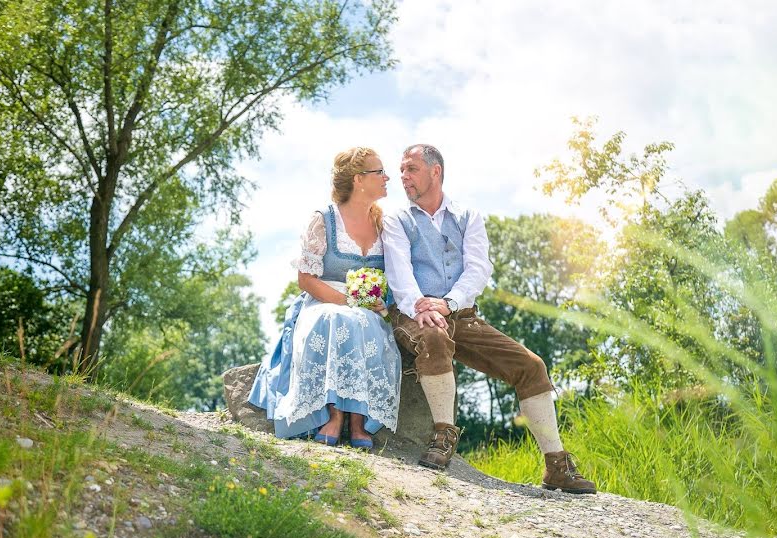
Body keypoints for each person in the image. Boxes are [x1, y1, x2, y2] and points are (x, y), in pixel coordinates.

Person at [381, 144, 596, 493]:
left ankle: (556, 465)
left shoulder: (468, 216)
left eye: (411, 169)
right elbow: (399, 271)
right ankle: (443, 436)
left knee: (531, 366)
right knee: (434, 338)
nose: (402, 176)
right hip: (414, 312)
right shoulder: (397, 220)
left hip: (461, 313)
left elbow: (479, 269)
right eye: (401, 170)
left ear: (435, 172)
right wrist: (423, 305)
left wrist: (448, 303)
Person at [247, 147, 401, 449]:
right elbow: (306, 280)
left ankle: (359, 421)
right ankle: (334, 416)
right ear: (359, 179)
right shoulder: (324, 220)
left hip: (367, 308)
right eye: (379, 172)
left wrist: (382, 301)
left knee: (367, 324)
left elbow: (395, 278)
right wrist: (348, 302)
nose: (387, 178)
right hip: (324, 301)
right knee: (337, 319)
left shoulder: (385, 225)